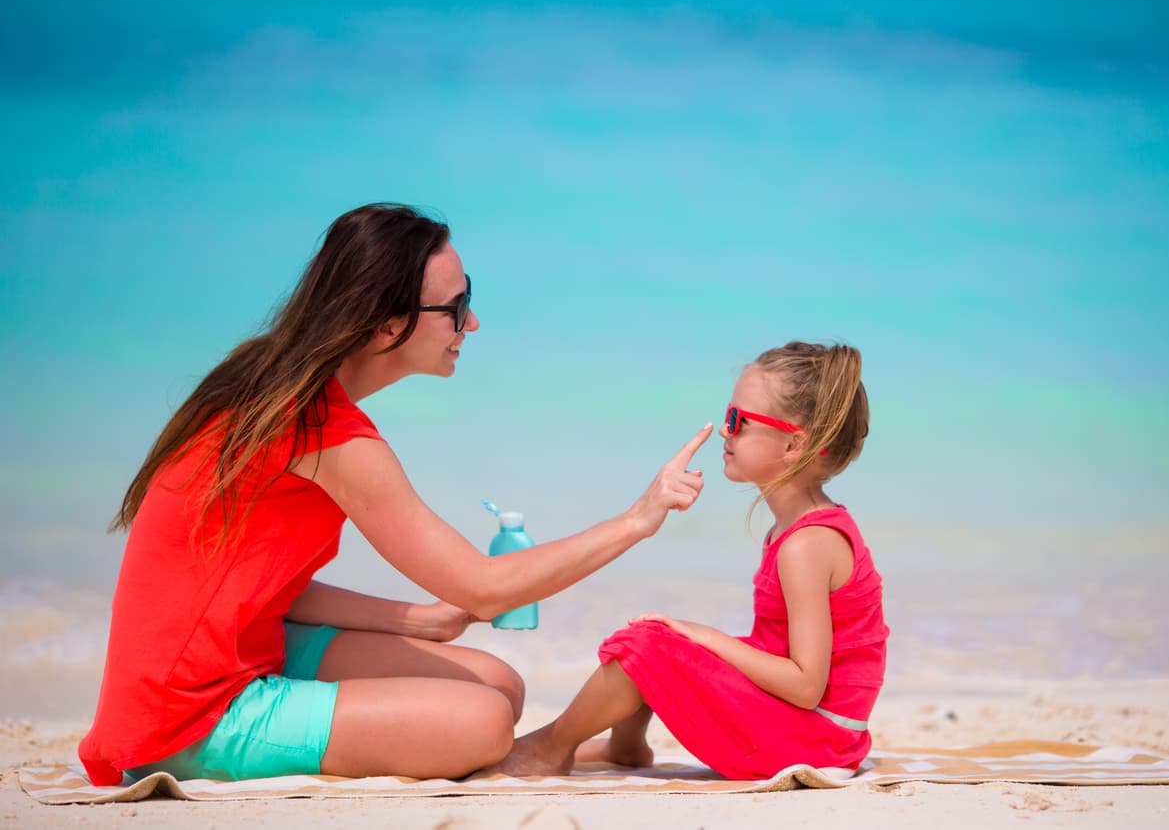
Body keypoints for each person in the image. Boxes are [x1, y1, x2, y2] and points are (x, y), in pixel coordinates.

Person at [78, 203, 714, 786]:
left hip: (237, 649)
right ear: (386, 325)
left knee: (501, 685)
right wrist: (638, 519)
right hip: (187, 714)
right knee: (483, 722)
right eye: (456, 307)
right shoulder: (323, 431)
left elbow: (258, 581)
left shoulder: (266, 375)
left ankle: (547, 742)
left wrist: (418, 621)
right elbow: (484, 588)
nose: (474, 322)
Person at [492, 341, 887, 780]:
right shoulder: (794, 529)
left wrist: (704, 637)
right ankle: (625, 748)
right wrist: (689, 638)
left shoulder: (807, 543)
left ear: (794, 445)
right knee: (657, 638)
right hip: (817, 731)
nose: (724, 430)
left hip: (818, 741)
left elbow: (805, 685)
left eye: (739, 420)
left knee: (651, 646)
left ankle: (550, 748)